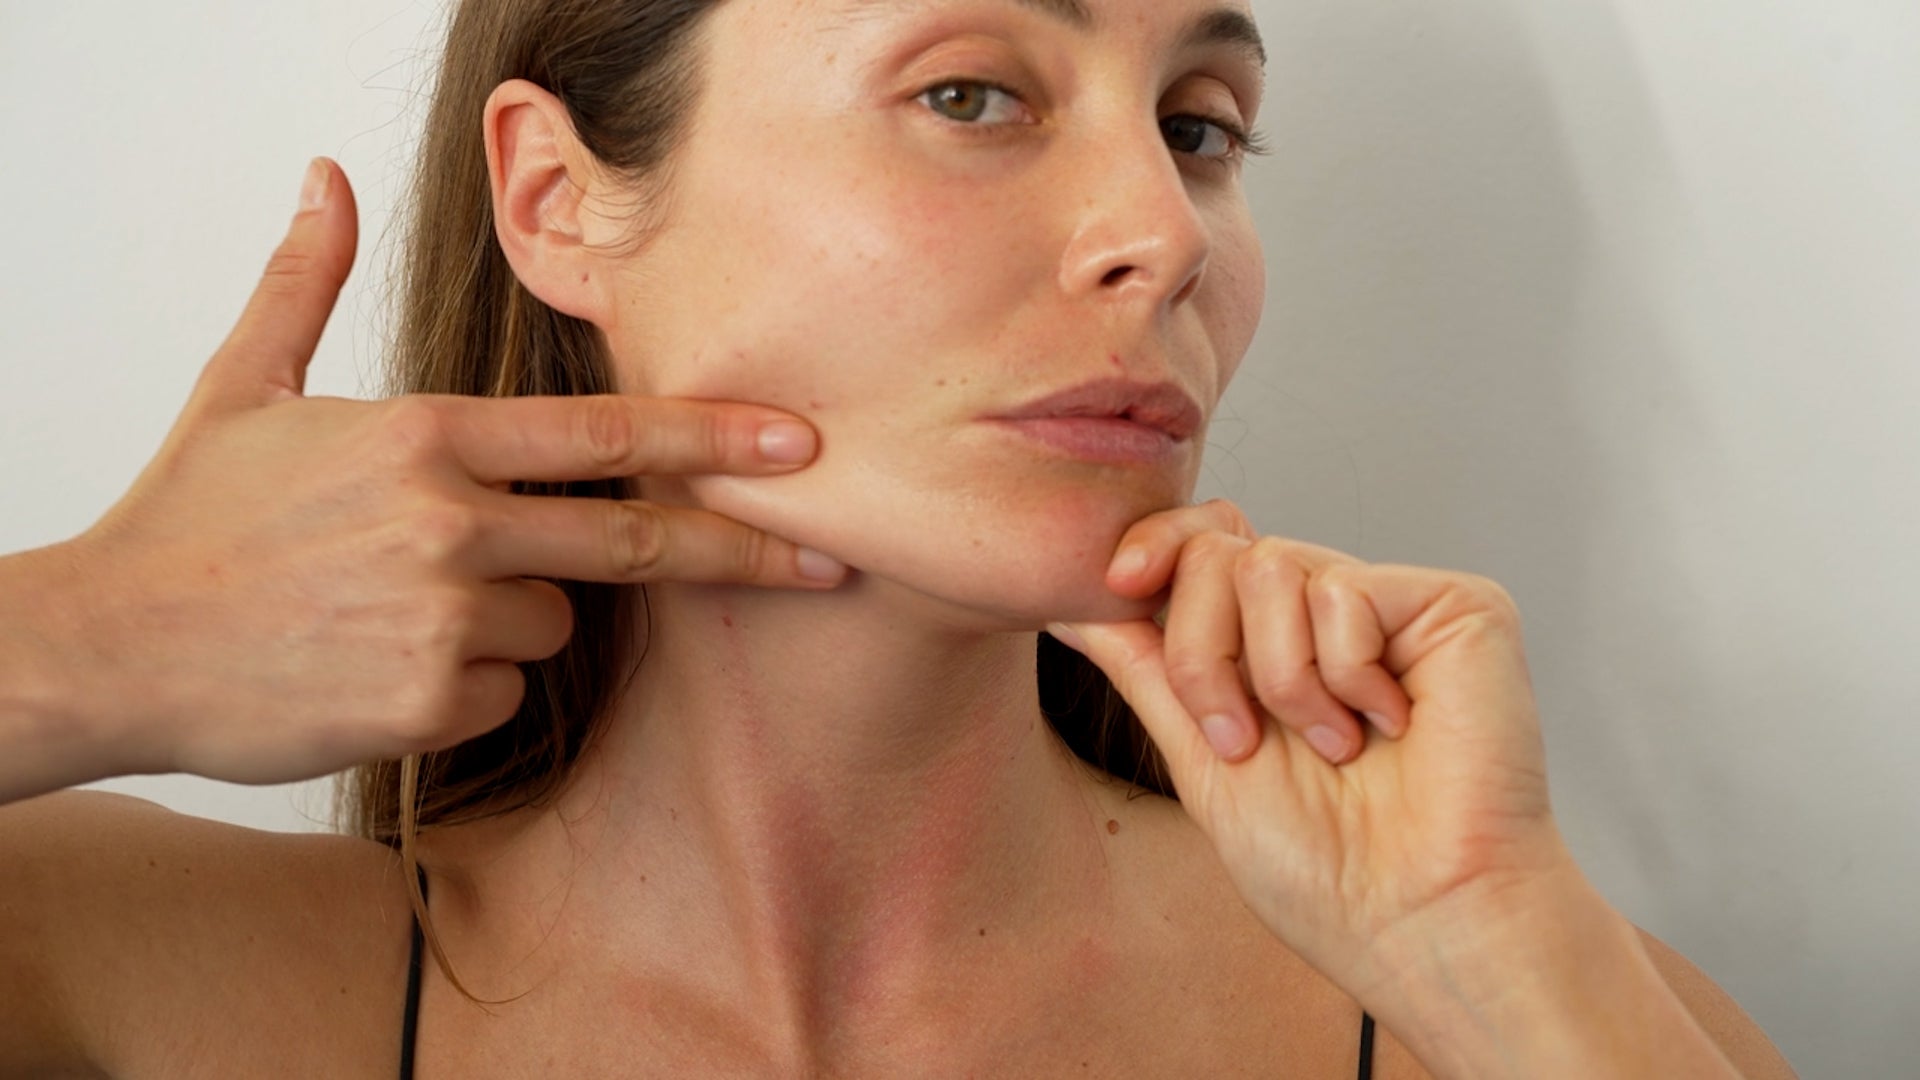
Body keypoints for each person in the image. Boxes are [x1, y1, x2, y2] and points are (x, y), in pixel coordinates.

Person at [0, 0, 1799, 1076]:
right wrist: (78, 644)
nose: (1165, 231)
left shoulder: (1505, 1001)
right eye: (969, 92)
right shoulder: (116, 981)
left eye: (1199, 127)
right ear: (557, 203)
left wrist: (1490, 966)